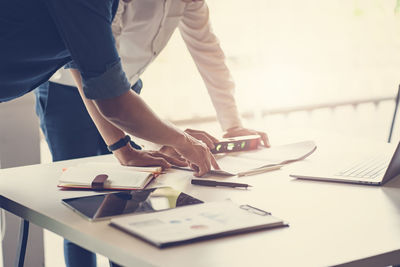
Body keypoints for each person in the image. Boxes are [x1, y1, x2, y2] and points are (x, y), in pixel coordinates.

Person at [34, 1, 269, 265]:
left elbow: (209, 54)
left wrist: (232, 125)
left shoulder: (190, 3)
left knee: (127, 199)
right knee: (79, 204)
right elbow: (93, 72)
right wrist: (137, 143)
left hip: (126, 92)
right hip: (69, 92)